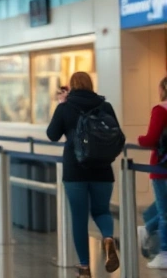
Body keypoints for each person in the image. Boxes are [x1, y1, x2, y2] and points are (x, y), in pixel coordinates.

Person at [47, 71, 120, 277]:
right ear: (90, 84)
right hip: (103, 170)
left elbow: (52, 134)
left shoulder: (66, 107)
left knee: (79, 218)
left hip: (75, 170)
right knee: (102, 211)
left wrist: (62, 104)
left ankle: (85, 267)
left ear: (71, 86)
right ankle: (107, 238)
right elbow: (116, 135)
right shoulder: (105, 106)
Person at [137, 77, 167, 268]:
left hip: (161, 168)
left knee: (165, 213)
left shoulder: (160, 110)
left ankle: (163, 252)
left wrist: (139, 139)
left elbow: (149, 139)